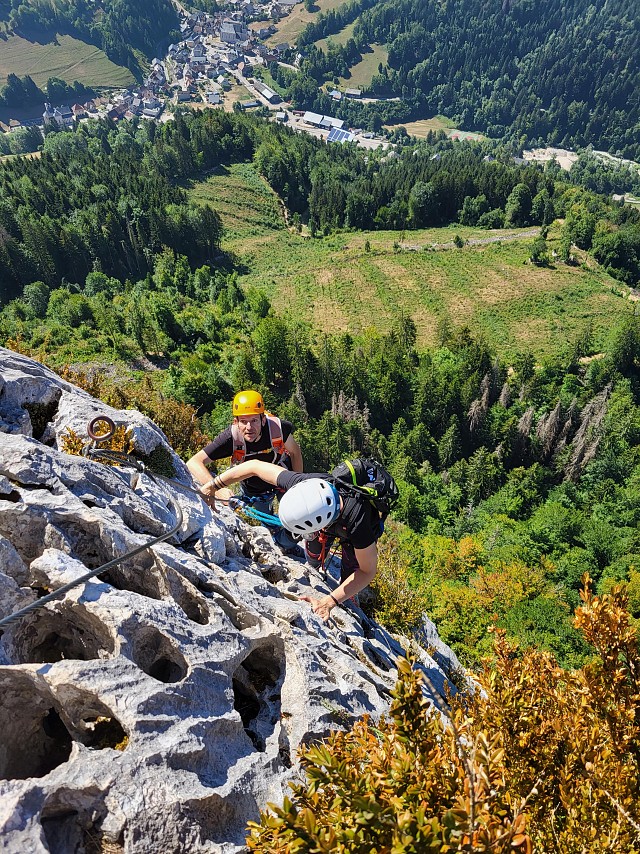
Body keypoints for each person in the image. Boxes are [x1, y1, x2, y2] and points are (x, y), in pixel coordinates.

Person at [196, 458, 382, 621]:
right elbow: (254, 466)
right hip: (328, 518)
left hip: (351, 531)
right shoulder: (304, 483)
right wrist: (213, 485)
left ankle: (349, 598)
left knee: (351, 569)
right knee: (314, 556)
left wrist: (329, 602)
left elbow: (367, 571)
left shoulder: (358, 522)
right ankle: (316, 567)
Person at [187, 390, 304, 552]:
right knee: (268, 521)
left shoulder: (277, 428)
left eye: (254, 420)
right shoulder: (230, 438)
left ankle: (290, 543)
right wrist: (217, 489)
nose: (249, 427)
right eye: (243, 421)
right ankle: (283, 543)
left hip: (280, 477)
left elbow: (295, 452)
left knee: (297, 518)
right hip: (254, 488)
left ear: (263, 419)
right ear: (236, 422)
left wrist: (297, 486)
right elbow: (194, 462)